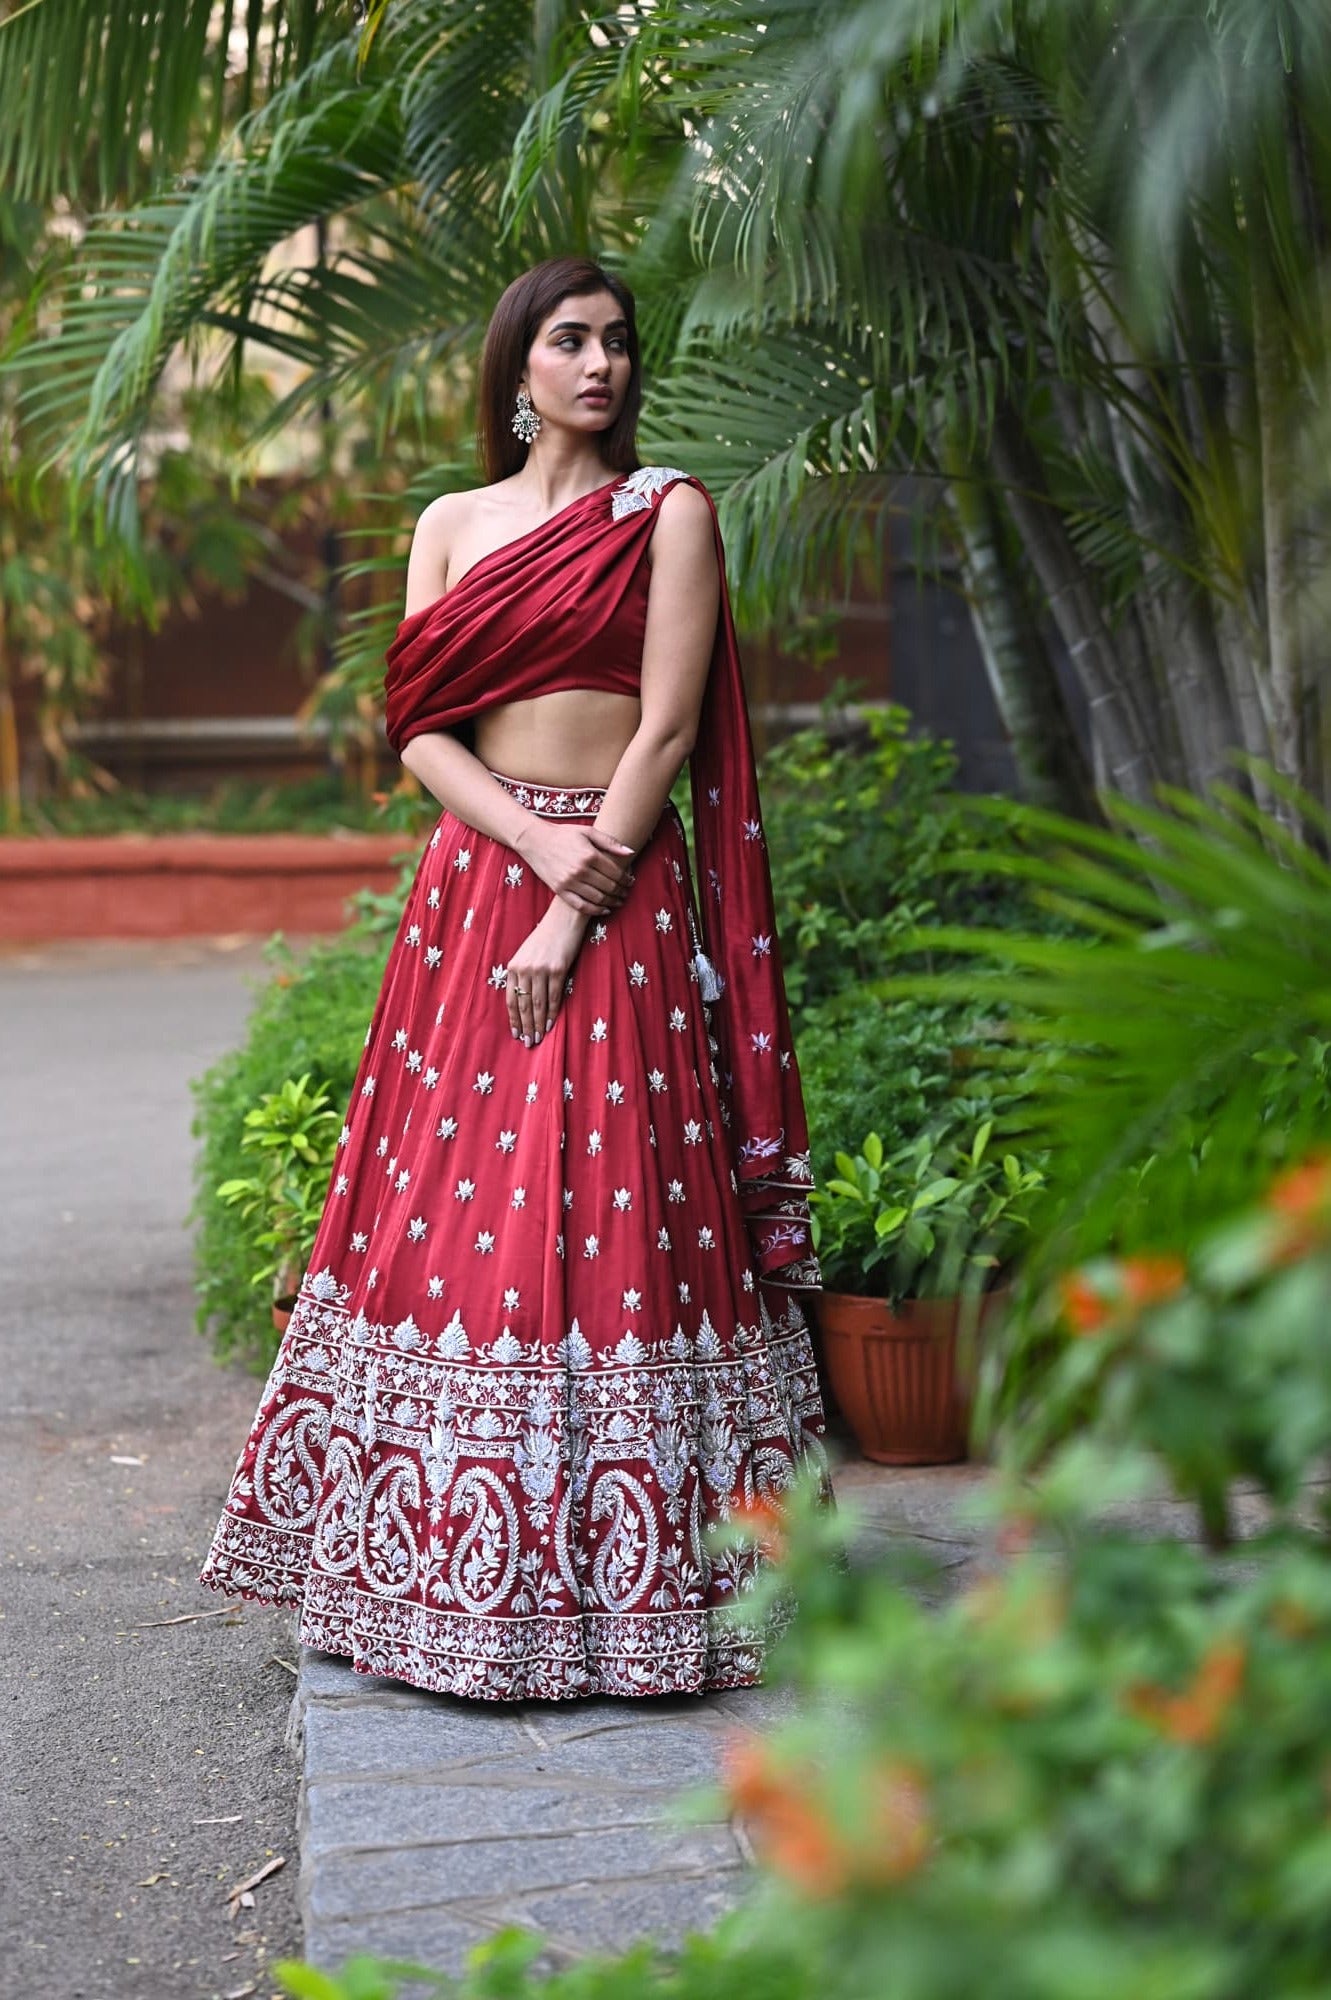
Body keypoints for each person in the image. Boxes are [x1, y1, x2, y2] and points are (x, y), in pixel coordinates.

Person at [198, 255, 830, 1701]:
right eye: (569, 340)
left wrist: (577, 897)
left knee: (618, 1210)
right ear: (517, 368)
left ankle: (649, 1597)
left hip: (619, 892)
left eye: (616, 342)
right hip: (479, 891)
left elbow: (664, 733)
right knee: (450, 1215)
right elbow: (421, 731)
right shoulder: (450, 525)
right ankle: (432, 1583)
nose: (598, 364)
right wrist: (529, 866)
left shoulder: (668, 516)